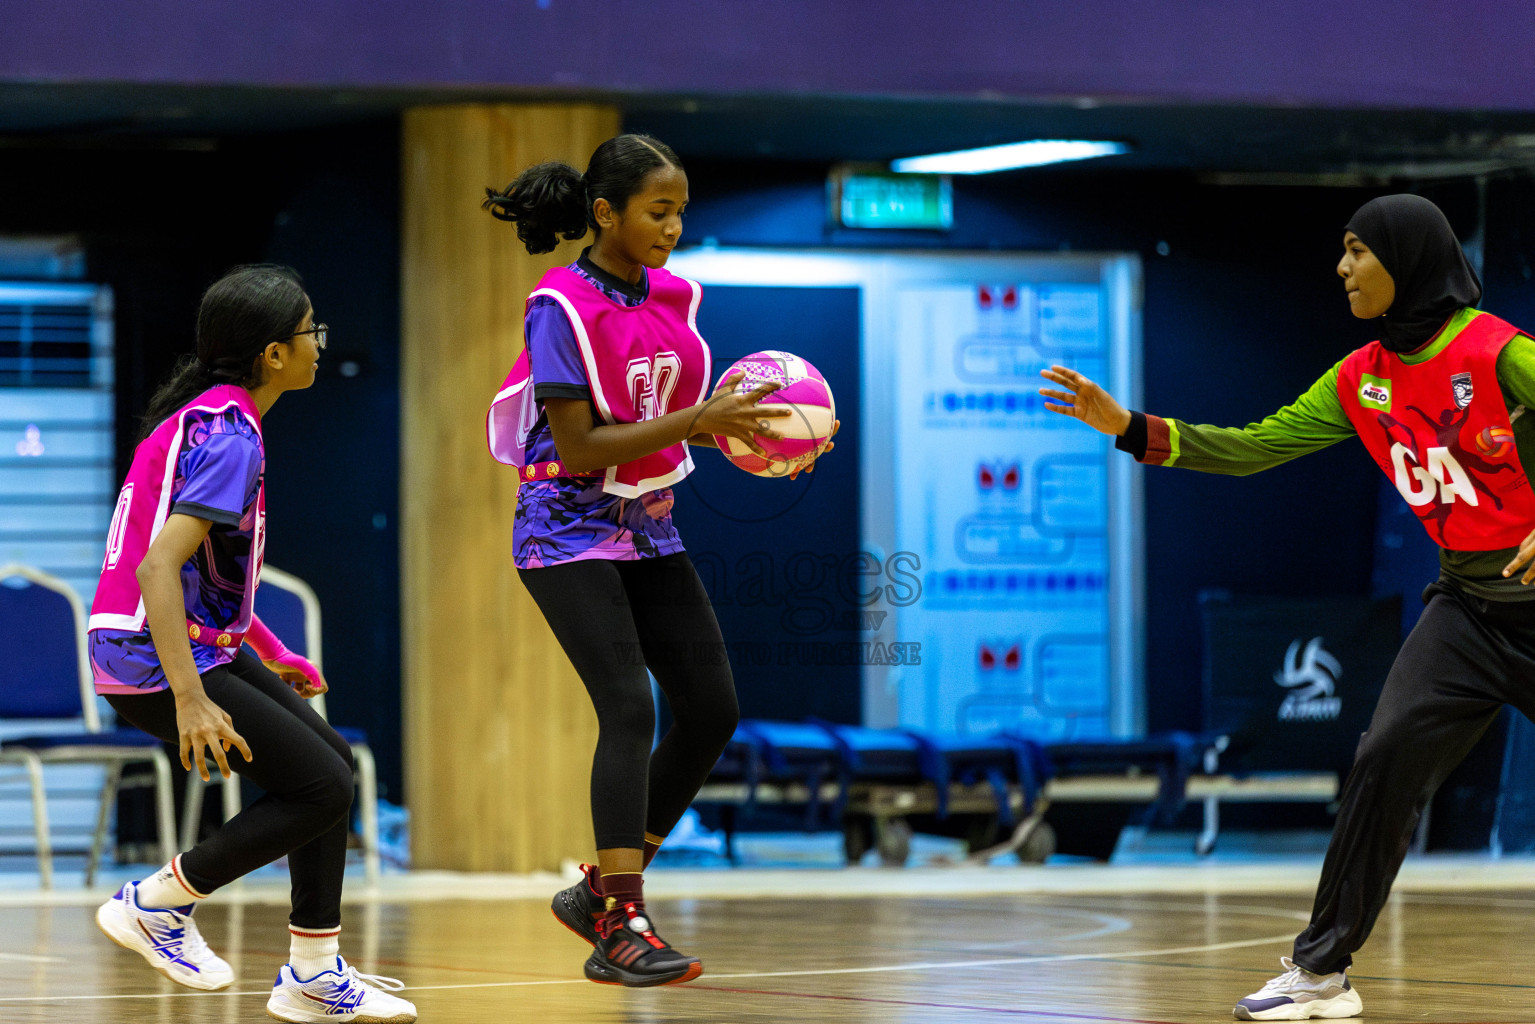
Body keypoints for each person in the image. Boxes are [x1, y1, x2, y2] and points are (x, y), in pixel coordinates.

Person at [1041, 194, 1535, 1022]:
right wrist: (1127, 426)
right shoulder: (1360, 379)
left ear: (1406, 259)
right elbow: (1251, 448)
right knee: (1382, 763)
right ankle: (1318, 976)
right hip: (1467, 608)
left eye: (1356, 251)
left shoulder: (1497, 352)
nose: (1340, 268)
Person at [483, 133, 836, 987]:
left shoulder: (675, 295)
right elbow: (575, 446)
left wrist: (776, 436)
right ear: (605, 213)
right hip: (562, 529)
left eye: (680, 210)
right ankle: (619, 919)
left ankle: (601, 890)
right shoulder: (558, 305)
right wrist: (700, 424)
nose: (673, 227)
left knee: (712, 710)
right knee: (627, 708)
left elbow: (677, 413)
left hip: (644, 522)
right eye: (657, 210)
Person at [90, 265, 417, 1024]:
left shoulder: (206, 416)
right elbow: (157, 565)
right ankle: (157, 904)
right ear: (273, 353)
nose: (318, 346)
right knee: (323, 787)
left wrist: (265, 646)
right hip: (154, 652)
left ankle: (312, 973)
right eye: (311, 333)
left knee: (331, 764)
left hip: (178, 637)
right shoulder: (230, 435)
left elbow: (206, 572)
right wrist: (192, 698)